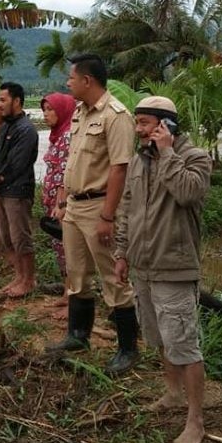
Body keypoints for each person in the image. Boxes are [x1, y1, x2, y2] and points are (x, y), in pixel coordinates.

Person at [113, 95, 212, 443]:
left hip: (174, 266)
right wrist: (122, 252)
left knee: (184, 344)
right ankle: (171, 393)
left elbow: (187, 192)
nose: (137, 129)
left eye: (143, 122)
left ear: (164, 125)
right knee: (159, 337)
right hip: (142, 265)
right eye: (137, 122)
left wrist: (168, 152)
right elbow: (127, 208)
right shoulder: (140, 161)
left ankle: (195, 419)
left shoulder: (195, 157)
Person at [47, 53, 139, 376]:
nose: (67, 82)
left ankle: (128, 349)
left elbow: (119, 168)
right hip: (74, 205)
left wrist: (108, 216)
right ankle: (78, 335)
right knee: (77, 274)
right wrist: (63, 198)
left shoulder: (116, 116)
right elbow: (73, 160)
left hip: (99, 206)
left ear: (87, 81)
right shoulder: (79, 114)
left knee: (113, 277)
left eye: (71, 78)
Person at [0, 82, 39, 298]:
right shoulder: (5, 126)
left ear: (16, 101)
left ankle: (29, 280)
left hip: (17, 191)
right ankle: (18, 276)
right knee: (7, 237)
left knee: (21, 238)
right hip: (1, 191)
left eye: (3, 100)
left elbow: (17, 163)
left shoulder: (26, 130)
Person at [40, 92, 76, 313]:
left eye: (50, 109)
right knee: (59, 246)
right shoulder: (57, 136)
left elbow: (65, 173)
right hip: (53, 201)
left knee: (68, 247)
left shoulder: (68, 137)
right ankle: (66, 290)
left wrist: (60, 203)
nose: (45, 114)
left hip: (62, 203)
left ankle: (73, 295)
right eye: (44, 110)